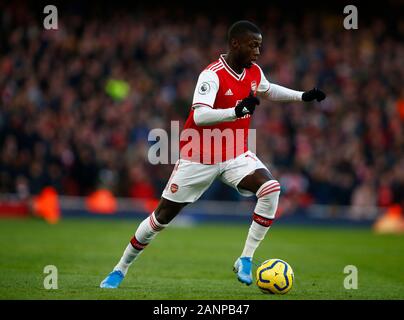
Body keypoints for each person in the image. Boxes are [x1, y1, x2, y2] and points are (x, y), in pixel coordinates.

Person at [100, 20, 325, 288]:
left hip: (235, 153)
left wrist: (303, 96)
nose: (257, 52)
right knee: (160, 218)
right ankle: (120, 268)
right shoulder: (212, 74)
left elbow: (268, 89)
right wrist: (236, 111)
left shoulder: (253, 72)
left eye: (260, 46)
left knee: (271, 188)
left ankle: (246, 258)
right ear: (235, 44)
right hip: (198, 157)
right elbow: (201, 114)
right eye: (253, 45)